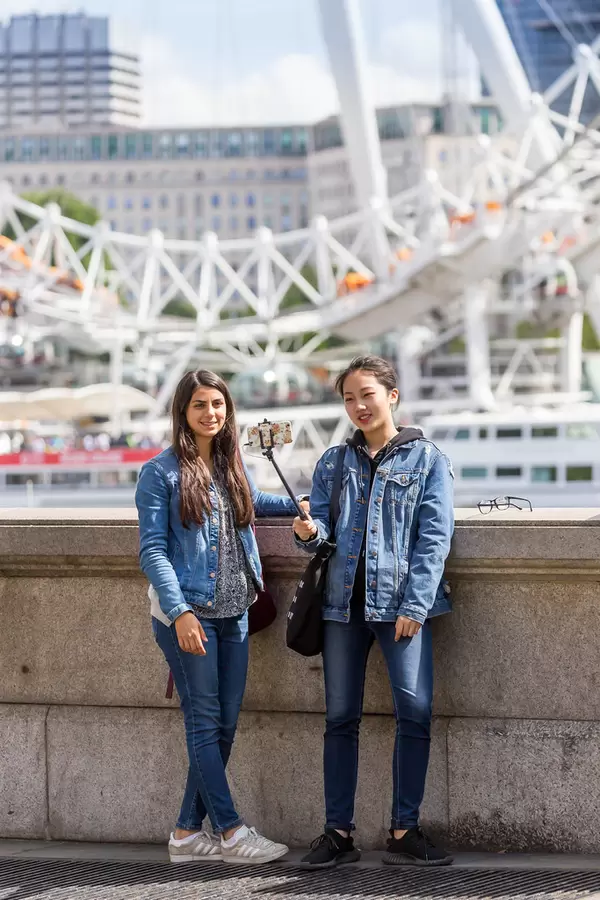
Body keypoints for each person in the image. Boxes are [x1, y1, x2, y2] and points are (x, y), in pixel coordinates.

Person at [136, 369, 303, 866]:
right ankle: (230, 832)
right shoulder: (160, 473)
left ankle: (187, 833)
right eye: (199, 405)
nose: (210, 413)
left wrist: (304, 505)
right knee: (205, 722)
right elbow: (152, 551)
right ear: (182, 412)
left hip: (236, 612)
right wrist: (180, 612)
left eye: (217, 404)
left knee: (223, 724)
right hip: (191, 617)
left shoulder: (231, 463)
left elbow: (255, 502)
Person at [293, 355, 454, 869]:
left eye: (367, 394)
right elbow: (322, 534)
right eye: (349, 398)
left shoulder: (427, 460)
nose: (359, 406)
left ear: (392, 396)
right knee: (340, 717)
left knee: (415, 711)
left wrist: (416, 603)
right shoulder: (333, 462)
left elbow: (434, 538)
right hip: (341, 608)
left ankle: (405, 829)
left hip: (401, 607)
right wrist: (308, 532)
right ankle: (337, 832)